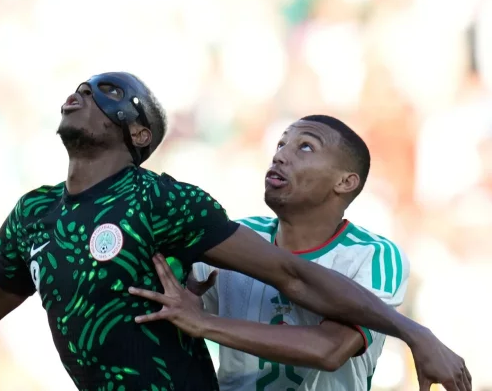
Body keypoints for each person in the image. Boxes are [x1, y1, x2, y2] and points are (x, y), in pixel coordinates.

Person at [0, 74, 469, 391]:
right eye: (82, 85)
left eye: (109, 91)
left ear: (139, 132)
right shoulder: (34, 217)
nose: (84, 91)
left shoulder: (163, 202)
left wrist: (416, 334)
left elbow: (305, 292)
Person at [128, 115, 470, 391]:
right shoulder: (237, 236)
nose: (280, 154)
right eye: (280, 144)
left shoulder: (376, 255)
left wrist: (205, 323)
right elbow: (173, 300)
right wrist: (186, 291)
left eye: (305, 147)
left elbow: (329, 349)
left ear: (345, 182)